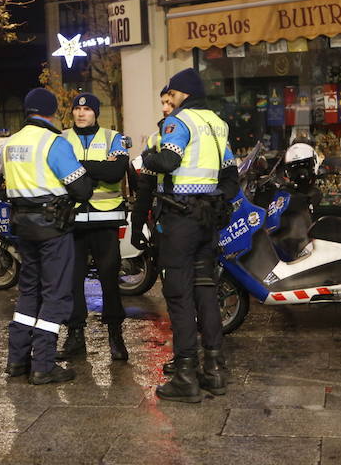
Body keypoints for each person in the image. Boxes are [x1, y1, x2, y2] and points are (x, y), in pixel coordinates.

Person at [140, 68, 238, 403]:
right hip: (206, 218)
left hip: (179, 218)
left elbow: (167, 161)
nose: (169, 99)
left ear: (183, 94)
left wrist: (146, 158)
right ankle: (213, 368)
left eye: (172, 94)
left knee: (179, 295)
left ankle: (184, 374)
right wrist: (215, 203)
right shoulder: (216, 124)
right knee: (206, 289)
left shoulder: (178, 122)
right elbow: (230, 175)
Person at [0, 88, 94, 384]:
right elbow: (82, 189)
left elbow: (2, 185)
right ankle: (43, 364)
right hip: (53, 228)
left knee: (28, 292)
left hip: (23, 227)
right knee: (55, 294)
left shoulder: (9, 144)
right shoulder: (54, 143)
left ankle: (17, 361)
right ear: (53, 112)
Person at [57, 93, 130, 362]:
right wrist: (98, 167)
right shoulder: (61, 139)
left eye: (87, 109)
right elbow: (56, 172)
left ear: (96, 113)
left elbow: (115, 173)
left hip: (105, 220)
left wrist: (77, 166)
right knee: (72, 282)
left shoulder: (115, 138)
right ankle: (75, 335)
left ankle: (115, 335)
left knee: (109, 280)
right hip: (73, 221)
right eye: (77, 108)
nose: (81, 113)